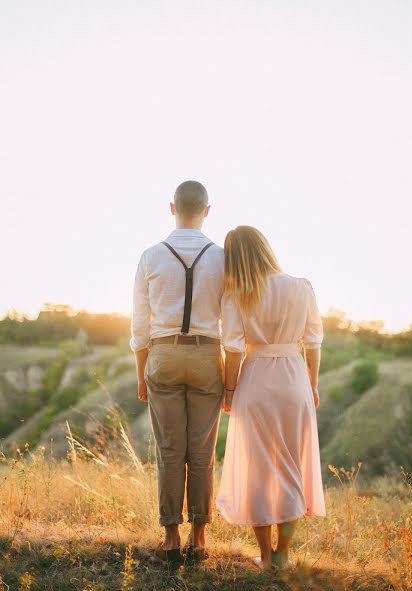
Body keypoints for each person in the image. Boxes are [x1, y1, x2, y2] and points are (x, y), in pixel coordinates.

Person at [216, 225, 326, 571]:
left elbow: (232, 348)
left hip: (256, 381)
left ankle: (264, 556)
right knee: (291, 465)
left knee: (258, 471)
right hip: (295, 380)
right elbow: (313, 342)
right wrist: (312, 383)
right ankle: (283, 555)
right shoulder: (301, 286)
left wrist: (229, 390)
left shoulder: (237, 294)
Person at [130, 181, 224, 564]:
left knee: (170, 449)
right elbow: (231, 321)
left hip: (163, 353)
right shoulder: (222, 257)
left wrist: (142, 373)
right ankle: (199, 536)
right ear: (207, 210)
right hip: (207, 355)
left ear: (172, 208)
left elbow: (139, 325)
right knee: (201, 451)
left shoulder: (151, 256)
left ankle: (171, 536)